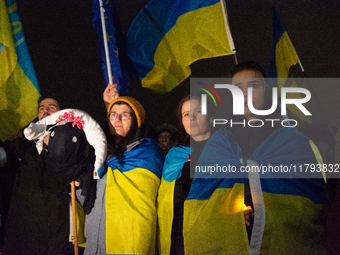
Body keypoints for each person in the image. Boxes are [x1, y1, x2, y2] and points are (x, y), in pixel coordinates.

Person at [183, 61, 327, 254]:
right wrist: (229, 217)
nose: (245, 93)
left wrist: (264, 212)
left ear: (267, 92)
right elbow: (198, 206)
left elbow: (311, 206)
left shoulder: (295, 143)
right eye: (238, 88)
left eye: (254, 85)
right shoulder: (218, 144)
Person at [84, 96, 163, 255]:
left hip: (129, 242)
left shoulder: (147, 153)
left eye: (124, 115)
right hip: (96, 241)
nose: (117, 119)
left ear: (136, 121)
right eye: (113, 115)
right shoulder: (98, 155)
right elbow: (87, 198)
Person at [3, 95, 77, 255]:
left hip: (59, 235)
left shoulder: (76, 143)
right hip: (25, 236)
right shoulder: (22, 147)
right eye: (41, 108)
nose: (45, 110)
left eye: (51, 107)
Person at [157, 93, 215, 255]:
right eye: (186, 114)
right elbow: (167, 197)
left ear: (210, 116)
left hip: (215, 233)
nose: (192, 118)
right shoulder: (175, 155)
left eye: (198, 112)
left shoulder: (226, 149)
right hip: (180, 236)